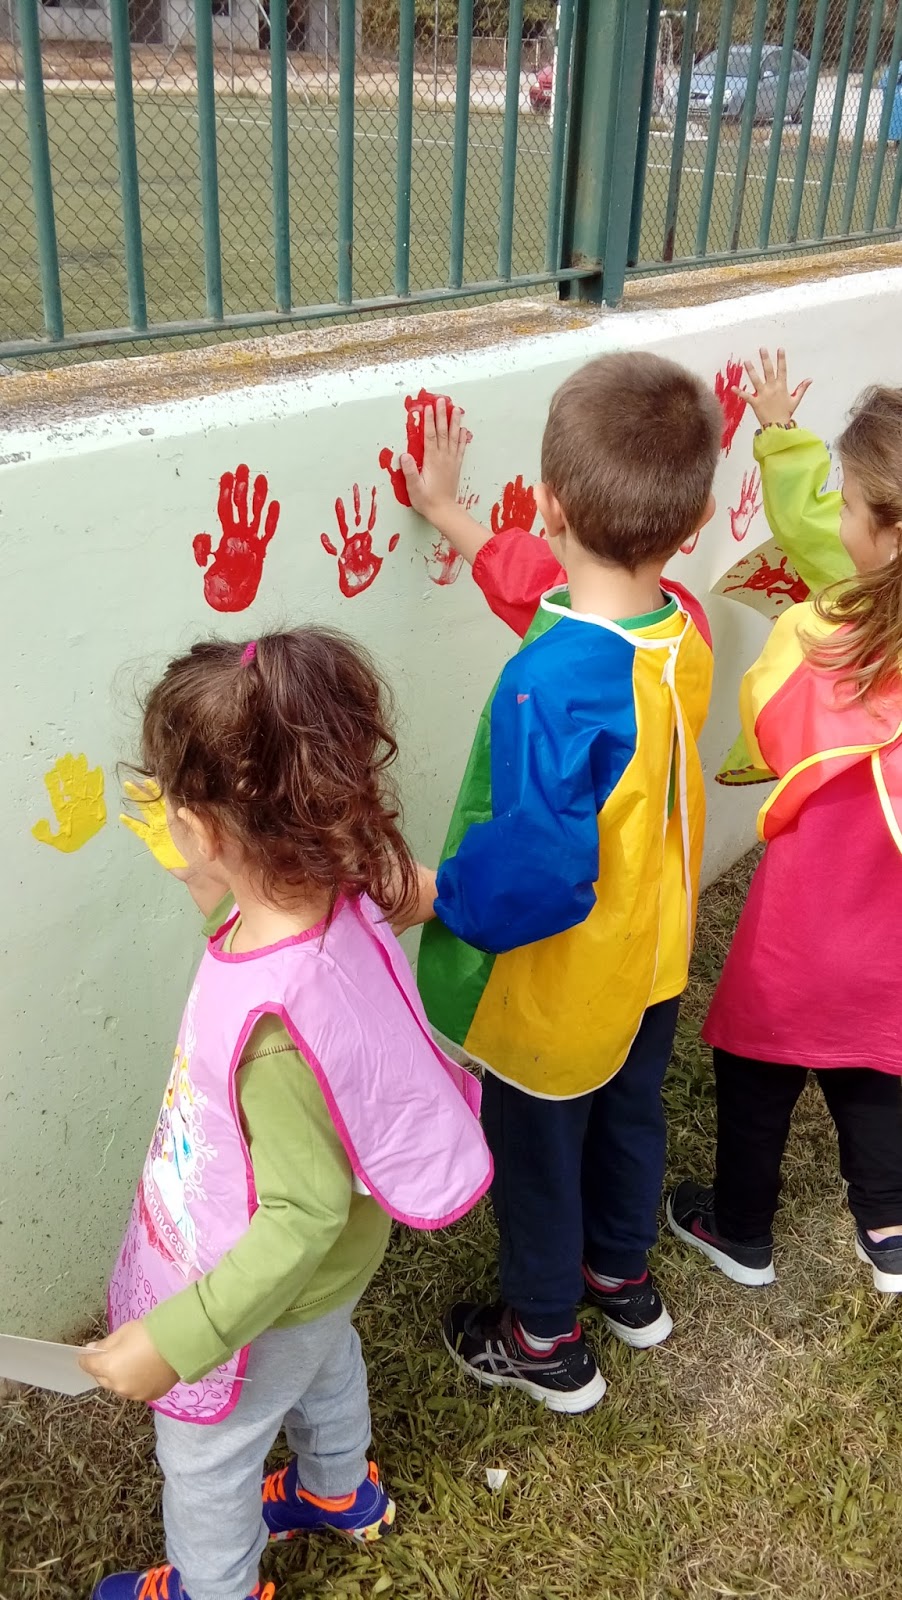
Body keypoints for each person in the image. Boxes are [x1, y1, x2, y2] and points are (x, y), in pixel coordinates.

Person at [79, 629, 492, 1600]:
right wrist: (206, 873)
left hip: (285, 1277)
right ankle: (338, 1490)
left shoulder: (272, 1035)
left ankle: (212, 1587)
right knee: (324, 1355)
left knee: (207, 1451)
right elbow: (292, 913)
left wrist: (177, 1340)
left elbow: (299, 1218)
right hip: (342, 1264)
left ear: (200, 824)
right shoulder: (340, 890)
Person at [401, 355, 722, 1412]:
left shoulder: (546, 685)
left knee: (539, 1150)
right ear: (694, 523)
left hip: (561, 986)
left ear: (548, 503)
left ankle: (542, 1337)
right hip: (652, 961)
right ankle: (619, 1277)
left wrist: (433, 893)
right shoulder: (680, 622)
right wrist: (449, 515)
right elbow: (547, 595)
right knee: (630, 1118)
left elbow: (536, 872)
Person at [667, 350, 902, 1296]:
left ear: (885, 532)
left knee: (755, 1062)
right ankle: (888, 1231)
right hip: (888, 938)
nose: (837, 520)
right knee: (876, 1061)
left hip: (806, 917)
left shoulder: (821, 636)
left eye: (850, 505)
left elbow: (771, 726)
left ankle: (741, 1229)